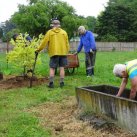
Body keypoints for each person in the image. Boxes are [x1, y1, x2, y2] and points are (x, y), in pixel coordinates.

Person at [35, 19, 70, 88]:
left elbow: (44, 42)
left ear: (52, 25)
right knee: (62, 68)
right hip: (63, 52)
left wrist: (38, 50)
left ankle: (51, 83)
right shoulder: (64, 32)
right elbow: (67, 44)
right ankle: (62, 83)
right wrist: (66, 51)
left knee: (52, 68)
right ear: (59, 25)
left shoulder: (49, 32)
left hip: (54, 53)